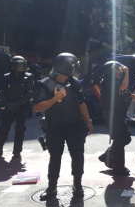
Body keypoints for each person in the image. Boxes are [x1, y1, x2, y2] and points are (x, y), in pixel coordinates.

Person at [33, 53, 93, 200]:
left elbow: (81, 103)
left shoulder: (75, 83)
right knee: (55, 157)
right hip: (55, 127)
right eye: (74, 67)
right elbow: (37, 107)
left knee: (78, 156)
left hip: (75, 127)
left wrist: (88, 121)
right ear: (66, 67)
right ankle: (52, 188)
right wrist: (55, 98)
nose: (76, 70)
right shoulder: (46, 84)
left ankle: (77, 186)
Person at [0, 56, 35, 160]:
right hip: (8, 106)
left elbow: (30, 93)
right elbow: (2, 92)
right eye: (18, 65)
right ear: (13, 66)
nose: (20, 67)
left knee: (20, 128)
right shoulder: (6, 77)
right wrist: (7, 103)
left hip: (22, 106)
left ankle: (17, 151)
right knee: (3, 128)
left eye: (22, 65)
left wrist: (17, 103)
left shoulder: (28, 77)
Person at [95, 60, 131, 176]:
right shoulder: (108, 81)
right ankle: (118, 168)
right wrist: (127, 72)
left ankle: (107, 155)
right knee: (120, 139)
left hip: (118, 114)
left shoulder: (113, 81)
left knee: (126, 138)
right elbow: (123, 86)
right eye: (118, 71)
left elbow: (125, 90)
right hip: (112, 115)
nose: (120, 73)